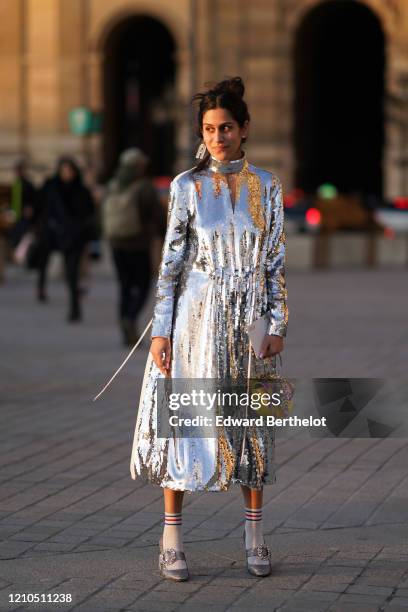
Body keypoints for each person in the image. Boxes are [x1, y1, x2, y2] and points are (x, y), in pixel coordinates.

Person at [129, 77, 288, 581]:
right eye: (209, 129)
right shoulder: (186, 187)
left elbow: (276, 264)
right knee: (185, 420)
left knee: (256, 427)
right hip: (196, 319)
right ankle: (171, 539)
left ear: (244, 130)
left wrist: (279, 322)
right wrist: (161, 331)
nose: (217, 137)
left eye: (226, 128)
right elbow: (171, 264)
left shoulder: (268, 187)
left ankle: (255, 537)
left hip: (252, 322)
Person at [103, 148, 166, 346]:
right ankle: (130, 318)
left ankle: (125, 323)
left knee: (124, 285)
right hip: (138, 244)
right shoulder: (144, 187)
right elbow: (155, 215)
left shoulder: (112, 185)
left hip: (115, 243)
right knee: (144, 284)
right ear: (138, 166)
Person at [36, 157, 96, 320]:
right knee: (45, 263)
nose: (67, 174)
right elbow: (43, 209)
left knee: (72, 273)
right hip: (55, 235)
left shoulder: (81, 190)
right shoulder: (52, 188)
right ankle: (41, 288)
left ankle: (74, 308)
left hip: (75, 238)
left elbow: (90, 214)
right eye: (64, 170)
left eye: (69, 170)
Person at [9, 159, 38, 248]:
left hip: (25, 216)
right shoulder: (15, 184)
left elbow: (34, 200)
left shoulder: (28, 185)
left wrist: (30, 208)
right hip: (16, 215)